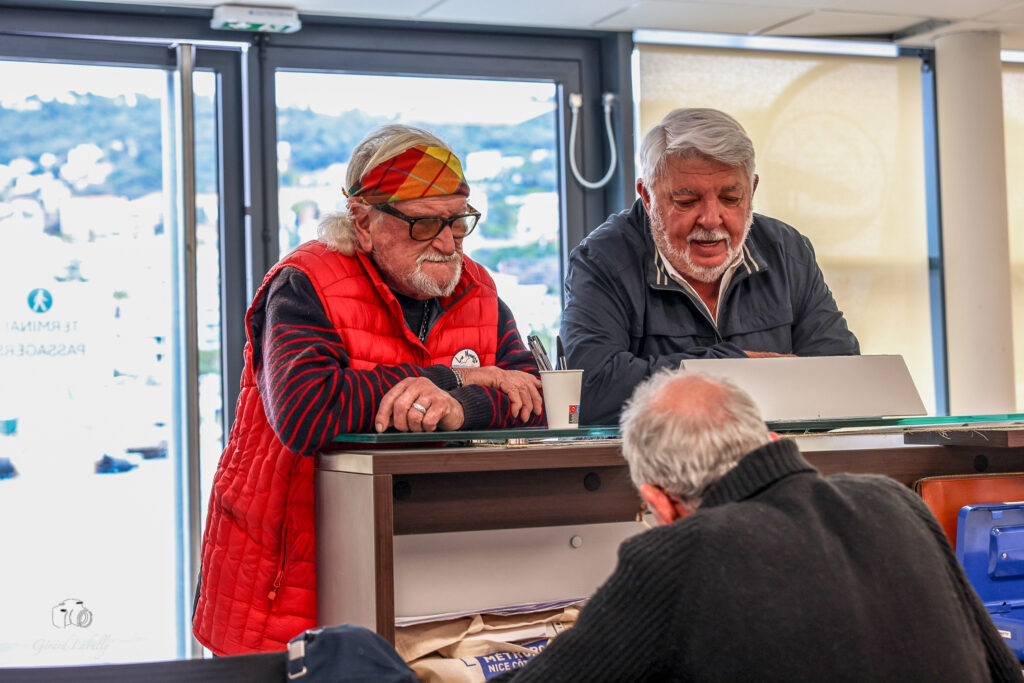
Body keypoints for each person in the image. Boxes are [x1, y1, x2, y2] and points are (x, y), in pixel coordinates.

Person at [193, 124, 546, 655]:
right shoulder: (304, 283)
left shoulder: (478, 287)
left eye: (458, 221)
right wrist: (452, 377)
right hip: (286, 588)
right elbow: (306, 412)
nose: (448, 243)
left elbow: (532, 400)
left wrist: (458, 408)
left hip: (430, 583)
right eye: (425, 223)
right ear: (362, 219)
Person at [487, 370, 1022, 681]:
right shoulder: (893, 500)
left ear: (660, 503)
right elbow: (1001, 671)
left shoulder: (678, 558)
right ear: (768, 441)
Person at [561, 107, 860, 424]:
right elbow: (587, 392)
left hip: (776, 459)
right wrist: (733, 366)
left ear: (752, 190)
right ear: (647, 197)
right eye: (686, 201)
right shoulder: (602, 259)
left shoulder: (787, 250)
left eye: (731, 198)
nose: (711, 219)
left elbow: (841, 375)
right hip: (652, 466)